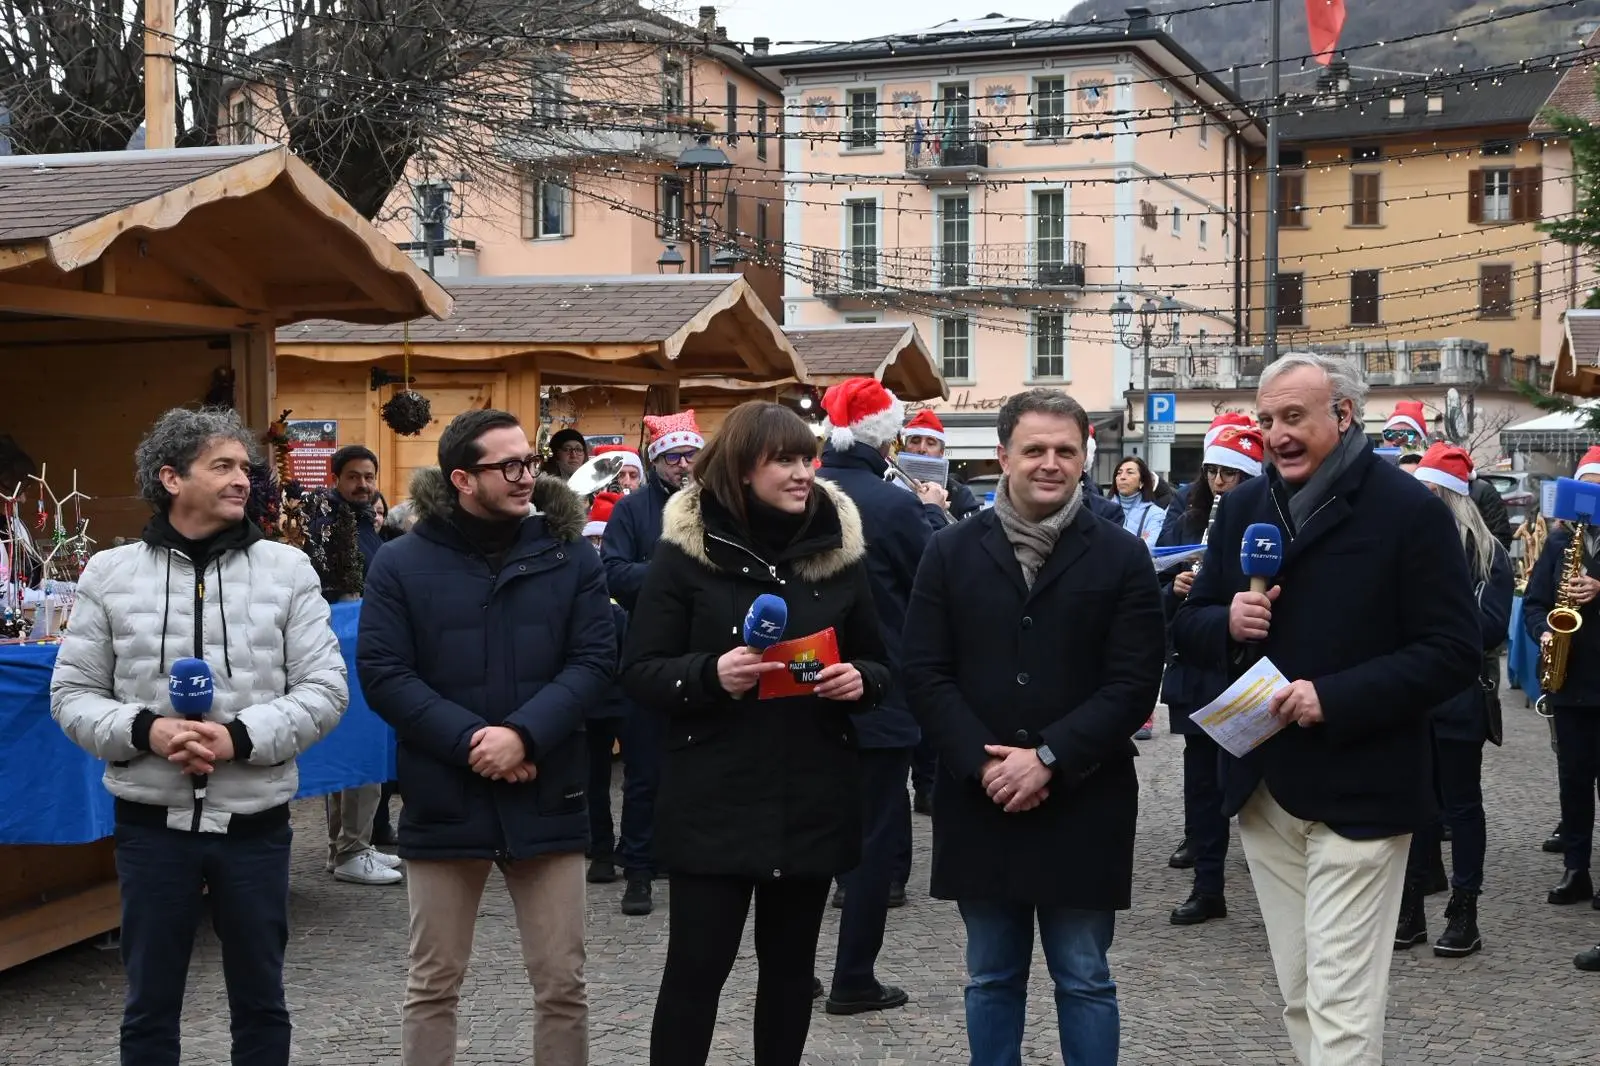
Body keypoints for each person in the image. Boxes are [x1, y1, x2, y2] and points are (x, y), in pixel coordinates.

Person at [1172, 352, 1480, 1066]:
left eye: (1293, 417)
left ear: (1343, 417)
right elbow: (1186, 627)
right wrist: (1224, 620)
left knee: (1341, 1004)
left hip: (1365, 791)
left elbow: (1453, 650)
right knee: (1301, 992)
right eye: (1267, 419)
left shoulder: (1408, 512)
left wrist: (1333, 697)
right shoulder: (1244, 506)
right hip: (1265, 790)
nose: (1276, 434)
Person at [51, 406, 349, 1066]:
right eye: (222, 466)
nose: (243, 478)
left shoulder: (288, 570)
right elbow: (71, 696)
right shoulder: (109, 573)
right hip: (151, 829)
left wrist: (236, 739)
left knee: (262, 1006)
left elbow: (326, 692)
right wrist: (146, 730)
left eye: (246, 467)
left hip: (256, 827)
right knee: (149, 1008)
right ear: (171, 478)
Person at [902, 387, 1166, 1066]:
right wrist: (984, 764)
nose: (1050, 463)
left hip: (1084, 797)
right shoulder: (950, 551)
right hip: (981, 800)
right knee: (990, 977)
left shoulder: (1121, 556)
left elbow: (1134, 682)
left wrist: (1048, 757)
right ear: (1002, 456)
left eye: (1065, 451)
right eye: (1035, 449)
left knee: (1085, 978)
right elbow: (926, 672)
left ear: (1085, 459)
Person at [622, 401, 889, 1066]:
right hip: (714, 796)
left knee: (792, 975)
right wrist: (711, 673)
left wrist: (861, 680)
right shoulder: (685, 558)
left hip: (812, 795)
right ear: (743, 470)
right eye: (786, 460)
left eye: (808, 458)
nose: (804, 473)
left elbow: (883, 660)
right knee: (695, 973)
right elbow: (640, 671)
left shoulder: (840, 555)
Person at [357, 409, 615, 1066]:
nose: (528, 474)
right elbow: (386, 675)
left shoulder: (569, 555)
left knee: (563, 984)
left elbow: (593, 661)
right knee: (433, 983)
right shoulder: (400, 563)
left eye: (529, 460)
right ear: (463, 479)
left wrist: (524, 738)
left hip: (548, 791)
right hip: (444, 795)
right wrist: (477, 741)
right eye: (510, 465)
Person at [814, 378, 931, 1016]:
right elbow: (929, 588)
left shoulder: (792, 496)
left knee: (800, 839)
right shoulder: (892, 507)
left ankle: (793, 966)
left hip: (798, 693)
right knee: (871, 842)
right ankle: (853, 975)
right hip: (879, 691)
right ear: (884, 436)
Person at [1391, 443, 1512, 959]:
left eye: (1430, 493)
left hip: (1461, 694)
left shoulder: (1489, 557)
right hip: (1415, 694)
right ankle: (1412, 904)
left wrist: (1430, 628)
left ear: (1450, 497)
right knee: (1416, 801)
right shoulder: (1409, 550)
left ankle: (1465, 907)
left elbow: (1489, 627)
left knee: (1461, 805)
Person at [598, 409, 705, 915]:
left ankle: (689, 861)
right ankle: (637, 870)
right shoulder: (631, 510)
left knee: (699, 769)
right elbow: (613, 572)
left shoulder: (714, 507)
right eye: (675, 457)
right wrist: (671, 578)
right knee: (643, 771)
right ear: (657, 460)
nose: (684, 465)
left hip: (703, 654)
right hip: (648, 654)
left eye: (691, 455)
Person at [1156, 424, 1264, 927]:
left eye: (1232, 473)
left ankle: (1273, 880)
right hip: (1197, 667)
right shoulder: (1185, 519)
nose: (1221, 481)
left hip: (1246, 671)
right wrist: (1174, 589)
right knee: (1201, 781)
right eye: (1214, 471)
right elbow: (1151, 597)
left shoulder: (1266, 521)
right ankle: (1208, 882)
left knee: (1255, 783)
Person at [308, 444, 400, 886]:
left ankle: (351, 845)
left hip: (369, 647)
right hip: (348, 651)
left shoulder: (365, 526)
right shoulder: (328, 528)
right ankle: (349, 850)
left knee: (359, 749)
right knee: (357, 749)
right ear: (337, 478)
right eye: (354, 477)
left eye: (369, 476)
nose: (363, 485)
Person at [1524, 445, 1600, 922]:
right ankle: (1576, 869)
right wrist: (1545, 632)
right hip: (1570, 681)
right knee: (1572, 782)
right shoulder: (1559, 542)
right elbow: (1533, 604)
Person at [901, 408, 981, 520]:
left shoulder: (958, 493)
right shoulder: (889, 485)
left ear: (941, 452)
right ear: (905, 448)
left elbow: (973, 534)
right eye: (915, 441)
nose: (922, 449)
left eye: (930, 443)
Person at [1111, 455, 1165, 548]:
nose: (1122, 477)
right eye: (1119, 473)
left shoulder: (1155, 514)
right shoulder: (1103, 509)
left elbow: (1147, 548)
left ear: (1141, 482)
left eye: (1130, 473)